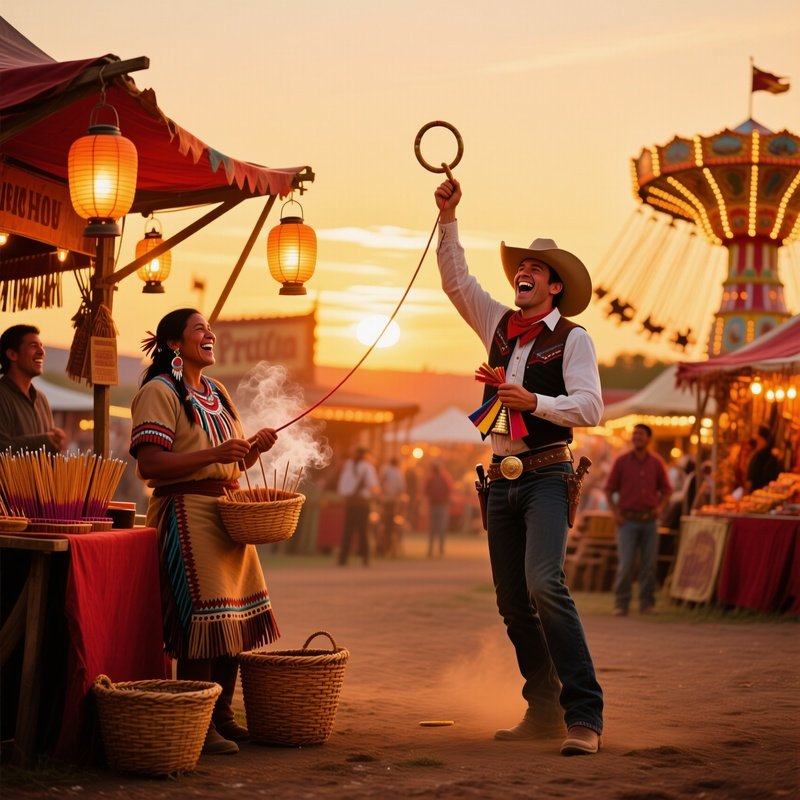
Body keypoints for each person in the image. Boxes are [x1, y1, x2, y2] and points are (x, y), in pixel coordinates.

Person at [434, 176, 604, 755]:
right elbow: (457, 281)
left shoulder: (574, 340)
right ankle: (545, 708)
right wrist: (449, 218)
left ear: (554, 286)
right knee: (512, 601)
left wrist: (535, 402)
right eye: (520, 267)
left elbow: (592, 406)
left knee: (544, 585)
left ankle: (585, 715)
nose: (522, 273)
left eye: (536, 268)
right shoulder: (499, 325)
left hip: (549, 473)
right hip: (500, 479)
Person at [129, 308, 279, 756]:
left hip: (227, 513)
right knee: (206, 620)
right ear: (174, 344)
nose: (209, 333)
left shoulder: (216, 391)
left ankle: (222, 715)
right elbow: (149, 463)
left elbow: (227, 462)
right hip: (187, 511)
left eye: (209, 328)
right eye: (199, 328)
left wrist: (251, 450)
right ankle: (195, 719)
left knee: (235, 619)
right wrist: (216, 451)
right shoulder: (159, 391)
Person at [604, 424, 672, 617]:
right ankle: (621, 604)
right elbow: (609, 489)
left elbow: (667, 490)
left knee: (649, 565)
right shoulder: (621, 461)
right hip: (627, 521)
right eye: (634, 434)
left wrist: (659, 508)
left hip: (649, 521)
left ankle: (647, 603)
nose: (637, 437)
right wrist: (615, 513)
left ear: (648, 438)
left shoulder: (657, 463)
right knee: (626, 564)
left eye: (641, 434)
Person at [0, 324, 66, 454]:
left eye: (42, 346)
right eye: (34, 346)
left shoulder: (41, 399)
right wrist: (46, 440)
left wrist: (56, 442)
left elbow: (49, 451)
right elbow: (2, 448)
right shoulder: (2, 395)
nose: (42, 352)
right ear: (12, 354)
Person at [337, 446, 380, 566]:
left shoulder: (350, 465)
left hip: (351, 502)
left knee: (348, 531)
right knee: (363, 531)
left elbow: (343, 485)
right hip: (362, 503)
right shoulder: (367, 467)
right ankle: (364, 558)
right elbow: (373, 486)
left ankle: (343, 558)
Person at [378, 457, 406, 557]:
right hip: (393, 502)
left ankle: (383, 547)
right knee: (390, 526)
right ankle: (388, 547)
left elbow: (380, 483)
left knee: (383, 524)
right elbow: (401, 488)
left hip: (384, 501)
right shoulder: (399, 472)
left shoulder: (385, 469)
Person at [424, 461, 453, 557]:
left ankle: (430, 550)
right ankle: (440, 550)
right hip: (443, 505)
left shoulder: (430, 478)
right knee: (441, 528)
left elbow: (425, 491)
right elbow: (449, 490)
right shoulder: (445, 478)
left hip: (433, 505)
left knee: (432, 528)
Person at [746, 425, 781, 492]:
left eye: (760, 439)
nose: (758, 442)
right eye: (757, 440)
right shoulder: (757, 455)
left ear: (765, 441)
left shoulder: (770, 458)